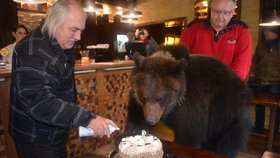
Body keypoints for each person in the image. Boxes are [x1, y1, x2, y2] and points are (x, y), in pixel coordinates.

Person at [9, 0, 118, 157]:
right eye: (74, 30)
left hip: (52, 131)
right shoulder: (34, 51)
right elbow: (39, 102)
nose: (79, 36)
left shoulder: (57, 43)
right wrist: (86, 119)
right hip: (36, 138)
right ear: (55, 22)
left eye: (81, 30)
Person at [180, 0, 252, 80]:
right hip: (196, 84)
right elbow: (181, 59)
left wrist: (223, 85)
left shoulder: (241, 30)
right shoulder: (191, 28)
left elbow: (241, 67)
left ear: (232, 13)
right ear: (211, 9)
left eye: (225, 12)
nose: (220, 16)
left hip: (228, 86)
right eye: (216, 11)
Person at [248, 26, 280, 134]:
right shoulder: (261, 44)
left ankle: (274, 130)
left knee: (276, 109)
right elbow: (255, 61)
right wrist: (252, 76)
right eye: (265, 30)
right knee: (259, 106)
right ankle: (258, 127)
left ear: (275, 32)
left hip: (275, 82)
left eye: (268, 31)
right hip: (260, 80)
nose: (265, 33)